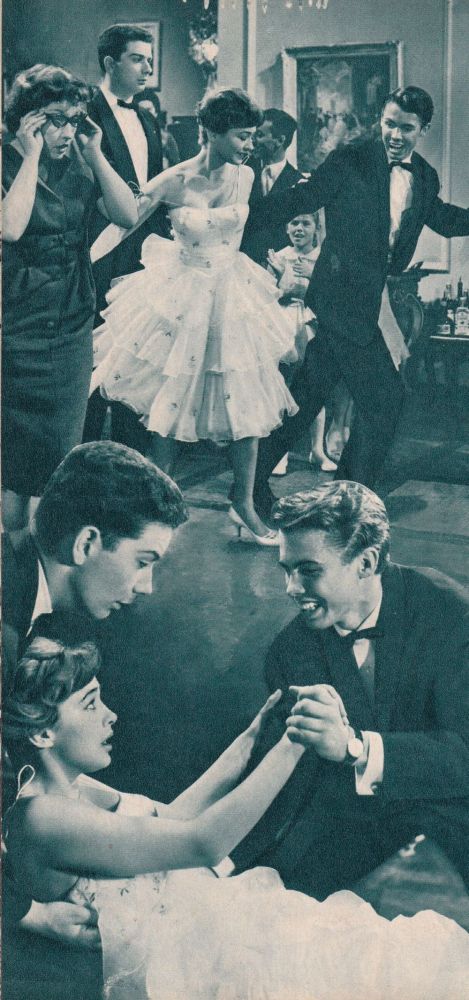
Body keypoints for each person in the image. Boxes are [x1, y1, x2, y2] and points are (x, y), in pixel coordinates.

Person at [3, 619, 469, 1000]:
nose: (111, 714)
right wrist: (292, 744)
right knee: (370, 970)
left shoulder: (70, 789)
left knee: (375, 956)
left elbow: (171, 818)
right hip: (186, 962)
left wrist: (249, 741)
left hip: (205, 925)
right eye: (90, 705)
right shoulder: (41, 819)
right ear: (42, 733)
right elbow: (203, 842)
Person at [1, 441, 188, 996]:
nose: (145, 586)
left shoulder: (20, 588)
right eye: (142, 562)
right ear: (86, 543)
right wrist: (23, 911)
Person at [232, 482, 469, 909]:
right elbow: (289, 784)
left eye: (308, 570)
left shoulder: (452, 615)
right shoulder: (289, 653)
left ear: (366, 563)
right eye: (286, 570)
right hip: (355, 823)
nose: (290, 588)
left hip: (454, 814)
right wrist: (224, 865)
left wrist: (355, 747)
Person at [90, 88, 301, 545]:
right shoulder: (173, 180)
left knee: (246, 400)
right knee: (171, 400)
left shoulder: (247, 175)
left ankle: (243, 503)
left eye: (252, 136)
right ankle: (156, 509)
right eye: (242, 136)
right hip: (181, 294)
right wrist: (84, 260)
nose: (250, 145)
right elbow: (123, 220)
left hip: (232, 294)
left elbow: (252, 229)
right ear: (211, 132)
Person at [246, 86, 469, 509]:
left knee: (306, 395)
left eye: (406, 128)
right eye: (389, 124)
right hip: (338, 297)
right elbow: (304, 197)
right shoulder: (351, 158)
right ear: (380, 120)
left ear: (423, 130)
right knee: (387, 398)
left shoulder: (423, 176)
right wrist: (240, 217)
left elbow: (440, 217)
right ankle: (349, 495)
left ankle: (251, 484)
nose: (395, 135)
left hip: (365, 299)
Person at [1, 64, 138, 532]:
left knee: (58, 460)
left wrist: (96, 154)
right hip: (16, 329)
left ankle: (42, 557)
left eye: (75, 120)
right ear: (27, 119)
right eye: (56, 120)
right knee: (14, 469)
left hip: (70, 326)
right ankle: (13, 556)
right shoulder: (6, 162)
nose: (67, 132)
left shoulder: (79, 161)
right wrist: (31, 157)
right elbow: (10, 227)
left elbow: (128, 213)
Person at [83, 23, 169, 453]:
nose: (147, 69)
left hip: (140, 258)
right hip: (96, 254)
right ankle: (83, 464)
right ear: (110, 63)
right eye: (138, 59)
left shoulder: (148, 120)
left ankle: (126, 465)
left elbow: (154, 187)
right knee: (94, 364)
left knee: (136, 361)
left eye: (149, 61)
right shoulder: (85, 115)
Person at [267, 211, 338, 474]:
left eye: (306, 224)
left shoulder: (323, 259)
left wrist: (310, 283)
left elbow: (331, 296)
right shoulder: (279, 257)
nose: (299, 228)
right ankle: (280, 452)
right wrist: (280, 284)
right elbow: (266, 295)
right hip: (283, 323)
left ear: (316, 228)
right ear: (287, 228)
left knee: (314, 386)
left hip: (312, 323)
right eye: (294, 223)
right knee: (283, 386)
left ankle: (317, 450)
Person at [241, 107, 305, 265]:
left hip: (278, 267)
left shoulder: (299, 183)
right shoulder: (241, 171)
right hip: (244, 263)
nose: (253, 141)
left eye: (259, 135)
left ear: (280, 140)